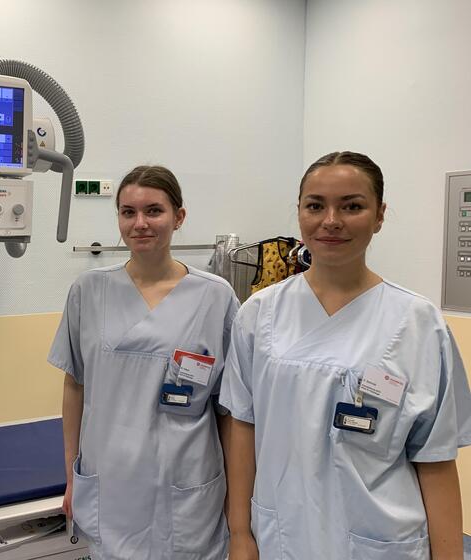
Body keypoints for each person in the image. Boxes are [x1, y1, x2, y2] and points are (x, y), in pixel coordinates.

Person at [220, 151, 471, 559]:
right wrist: (239, 533)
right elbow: (243, 428)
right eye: (315, 205)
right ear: (299, 212)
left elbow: (436, 460)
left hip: (379, 539)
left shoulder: (419, 323)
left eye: (352, 206)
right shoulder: (260, 314)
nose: (331, 220)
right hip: (282, 533)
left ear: (379, 215)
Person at [48, 165, 239, 559]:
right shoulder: (88, 290)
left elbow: (230, 409)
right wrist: (71, 475)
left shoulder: (215, 297)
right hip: (110, 482)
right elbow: (74, 385)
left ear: (178, 217)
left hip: (186, 484)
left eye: (154, 211)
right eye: (128, 212)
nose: (140, 224)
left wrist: (237, 505)